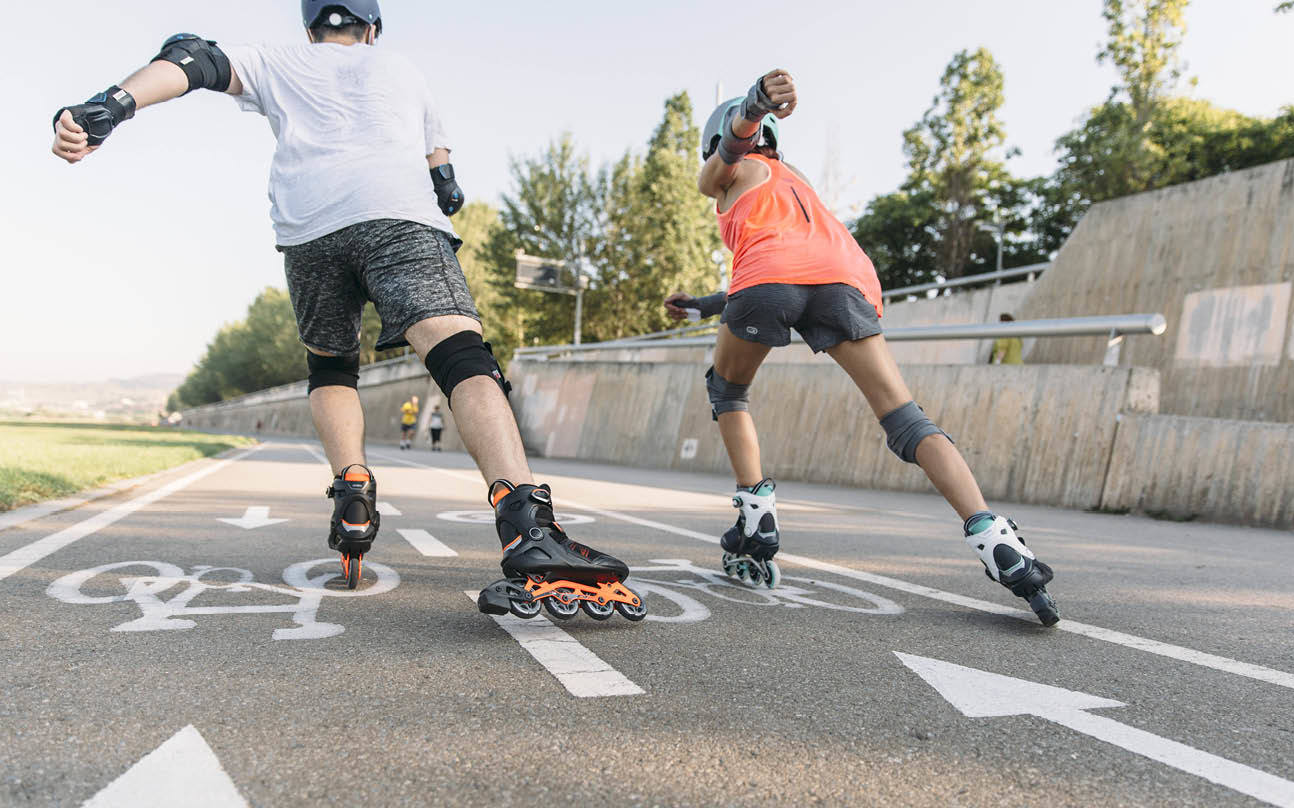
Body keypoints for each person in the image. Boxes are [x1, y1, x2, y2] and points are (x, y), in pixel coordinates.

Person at [51, 1, 644, 621]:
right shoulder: (403, 71)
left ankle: (353, 495)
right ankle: (526, 522)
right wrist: (442, 187)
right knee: (460, 353)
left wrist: (110, 107)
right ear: (373, 27)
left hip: (309, 229)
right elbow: (444, 176)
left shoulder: (277, 60)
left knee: (331, 366)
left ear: (312, 27)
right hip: (397, 217)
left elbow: (190, 60)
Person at [662, 70, 1058, 625]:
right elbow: (790, 261)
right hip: (845, 281)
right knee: (907, 418)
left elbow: (733, 177)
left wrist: (750, 108)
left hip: (768, 279)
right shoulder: (799, 184)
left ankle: (756, 514)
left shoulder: (728, 173)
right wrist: (705, 305)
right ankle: (995, 538)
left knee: (726, 389)